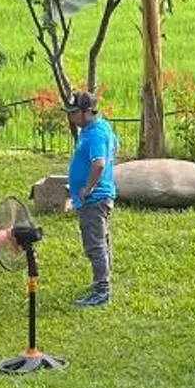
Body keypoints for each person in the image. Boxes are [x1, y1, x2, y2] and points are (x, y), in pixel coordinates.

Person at [67, 91, 118, 308]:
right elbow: (116, 146)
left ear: (88, 112)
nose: (70, 117)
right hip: (97, 197)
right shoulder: (94, 129)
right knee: (102, 241)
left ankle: (102, 290)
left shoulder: (96, 133)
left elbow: (99, 163)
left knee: (94, 245)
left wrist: (87, 189)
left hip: (94, 199)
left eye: (74, 112)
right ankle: (102, 280)